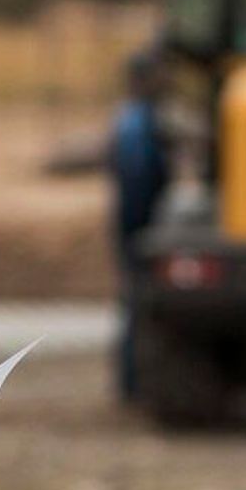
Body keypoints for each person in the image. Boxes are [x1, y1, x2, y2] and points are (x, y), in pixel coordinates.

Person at [107, 48, 171, 401]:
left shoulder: (132, 119)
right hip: (138, 225)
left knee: (133, 301)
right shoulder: (137, 123)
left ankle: (131, 379)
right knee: (136, 302)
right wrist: (143, 228)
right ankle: (132, 381)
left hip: (133, 224)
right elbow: (137, 177)